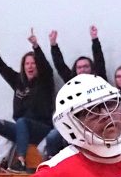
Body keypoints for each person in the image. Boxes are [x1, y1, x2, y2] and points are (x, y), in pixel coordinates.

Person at [0, 28, 54, 174]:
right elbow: (2, 68)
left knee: (22, 121)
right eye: (27, 64)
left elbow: (46, 67)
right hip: (22, 129)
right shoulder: (18, 81)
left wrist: (36, 46)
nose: (30, 66)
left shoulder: (45, 81)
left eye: (33, 63)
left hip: (42, 129)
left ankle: (20, 162)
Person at [42, 26, 107, 159]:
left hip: (96, 123)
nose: (82, 69)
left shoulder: (98, 80)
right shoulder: (72, 82)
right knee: (53, 136)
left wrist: (95, 40)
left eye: (85, 66)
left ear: (91, 68)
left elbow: (100, 60)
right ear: (75, 70)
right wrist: (53, 45)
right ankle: (52, 166)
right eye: (79, 67)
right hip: (74, 124)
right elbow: (60, 65)